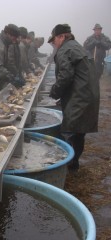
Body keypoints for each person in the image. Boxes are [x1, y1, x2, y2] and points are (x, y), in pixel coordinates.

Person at [47, 24, 100, 171]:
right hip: (89, 95)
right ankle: (74, 163)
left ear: (62, 36)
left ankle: (64, 167)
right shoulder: (77, 47)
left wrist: (54, 92)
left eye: (54, 40)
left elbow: (65, 76)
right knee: (79, 132)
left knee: (68, 131)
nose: (54, 43)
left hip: (79, 97)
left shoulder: (65, 49)